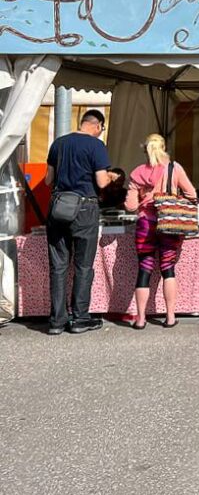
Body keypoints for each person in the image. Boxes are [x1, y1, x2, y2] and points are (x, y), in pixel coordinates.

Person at [44, 110, 111, 335]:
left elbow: (48, 180)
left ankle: (56, 322)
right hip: (84, 208)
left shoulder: (58, 144)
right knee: (83, 266)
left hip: (58, 207)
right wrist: (112, 177)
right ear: (97, 125)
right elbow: (102, 182)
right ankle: (80, 318)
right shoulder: (96, 146)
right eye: (101, 128)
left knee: (58, 266)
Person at [125, 135, 197, 329]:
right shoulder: (174, 168)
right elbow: (192, 194)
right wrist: (173, 197)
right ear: (164, 148)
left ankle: (140, 319)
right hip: (169, 223)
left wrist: (144, 199)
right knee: (168, 268)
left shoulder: (138, 173)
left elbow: (131, 206)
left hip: (145, 224)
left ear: (145, 150)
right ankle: (170, 317)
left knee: (144, 270)